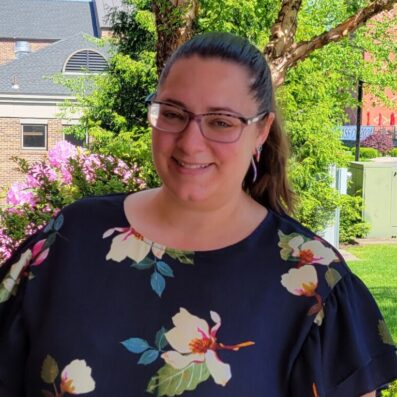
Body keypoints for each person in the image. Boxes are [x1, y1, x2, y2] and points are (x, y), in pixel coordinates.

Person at [0, 32, 396, 397]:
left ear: (261, 131)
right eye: (173, 114)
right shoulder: (69, 242)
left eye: (221, 122)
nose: (191, 143)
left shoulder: (313, 279)